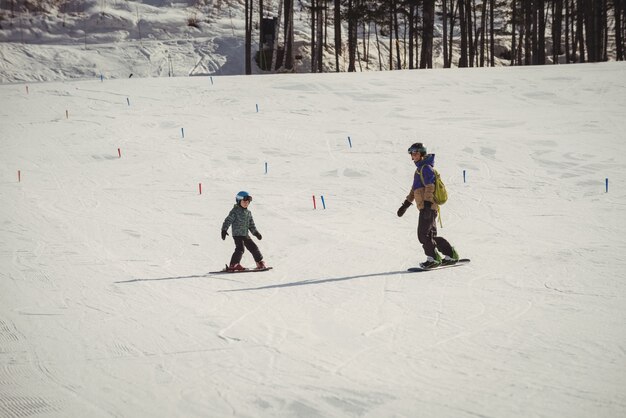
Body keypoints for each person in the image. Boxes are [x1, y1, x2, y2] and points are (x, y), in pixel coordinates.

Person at [397, 142, 459, 268]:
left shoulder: (425, 168)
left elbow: (430, 187)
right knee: (430, 236)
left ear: (422, 154)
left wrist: (426, 204)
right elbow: (414, 190)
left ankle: (433, 258)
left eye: (415, 153)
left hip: (428, 207)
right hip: (428, 208)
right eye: (411, 153)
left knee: (423, 235)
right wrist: (405, 205)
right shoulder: (419, 169)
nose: (412, 156)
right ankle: (450, 254)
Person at [221, 191, 266, 271]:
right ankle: (234, 264)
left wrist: (255, 233)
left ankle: (259, 262)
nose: (246, 203)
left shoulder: (248, 213)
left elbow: (251, 225)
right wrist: (224, 230)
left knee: (254, 248)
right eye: (244, 201)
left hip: (245, 235)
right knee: (240, 249)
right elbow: (228, 220)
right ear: (238, 201)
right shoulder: (235, 211)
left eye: (248, 202)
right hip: (237, 235)